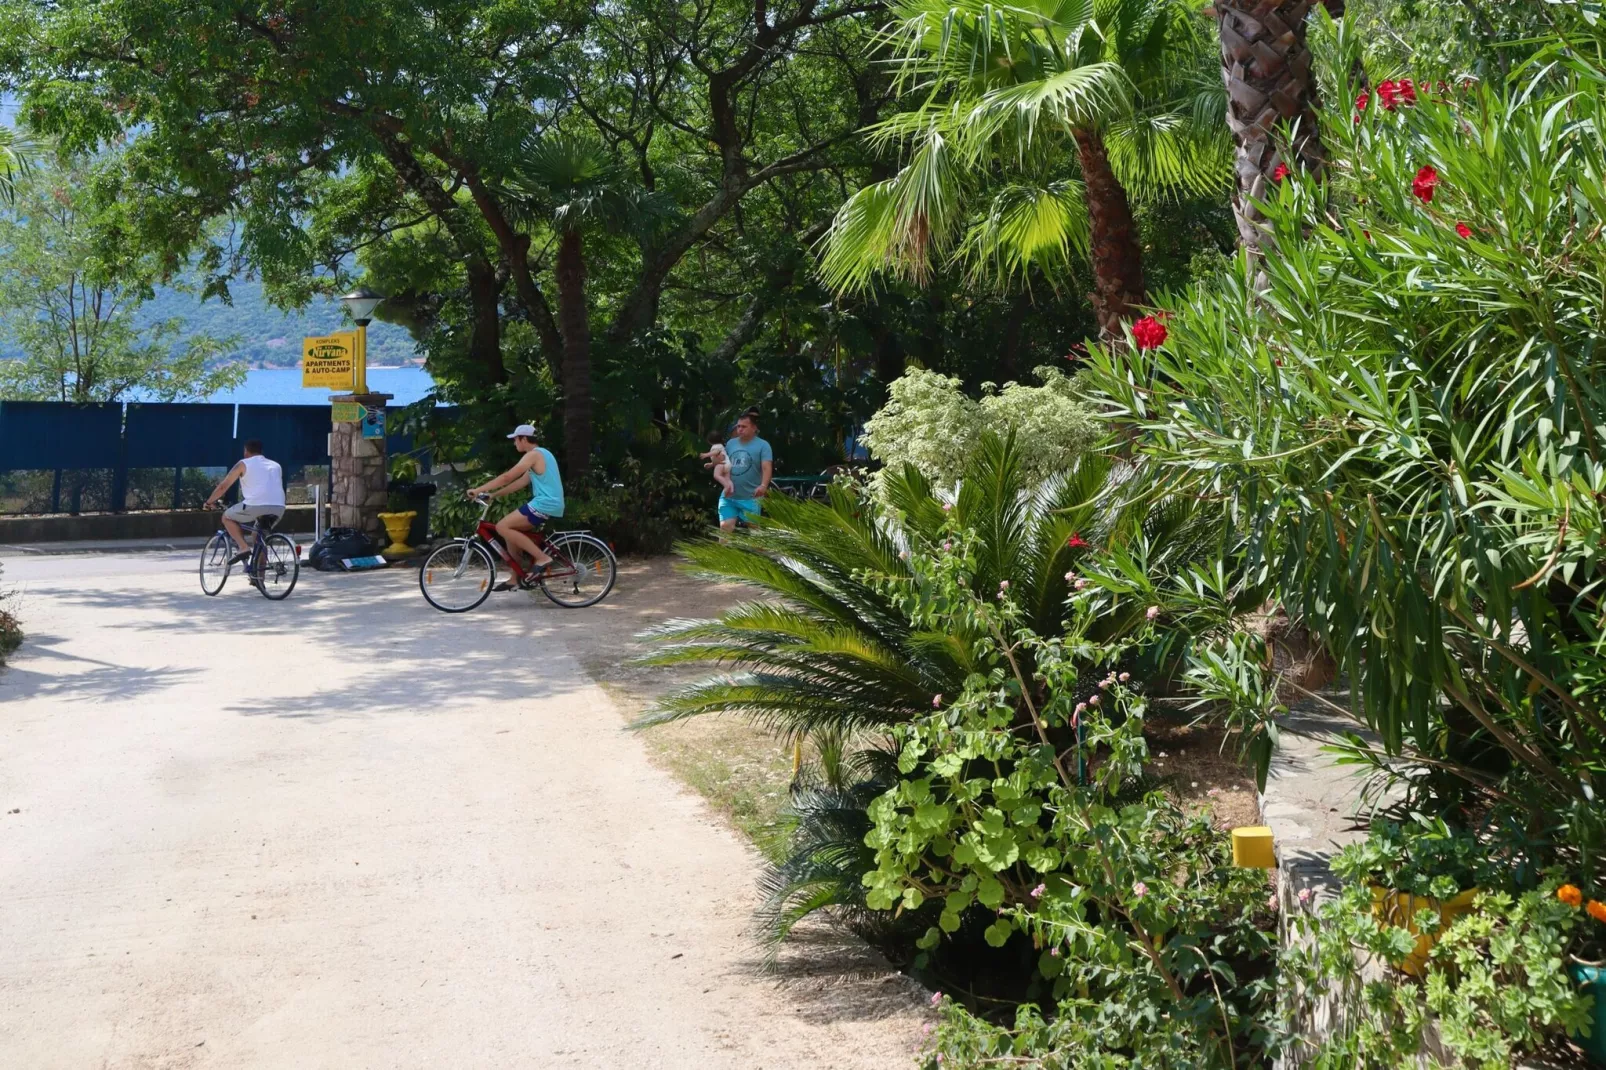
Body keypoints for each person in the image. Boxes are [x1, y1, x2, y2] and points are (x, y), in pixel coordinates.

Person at [467, 423, 565, 589]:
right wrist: (493, 495)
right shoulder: (541, 455)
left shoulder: (534, 455)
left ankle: (542, 558)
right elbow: (519, 482)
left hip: (544, 503)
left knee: (502, 527)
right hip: (548, 503)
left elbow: (507, 477)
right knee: (510, 531)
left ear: (524, 439)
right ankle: (515, 579)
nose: (514, 443)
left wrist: (478, 490)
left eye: (516, 440)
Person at [204, 439, 286, 563]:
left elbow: (223, 487)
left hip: (255, 505)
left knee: (226, 517)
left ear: (246, 451)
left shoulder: (243, 464)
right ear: (261, 451)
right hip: (279, 507)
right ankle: (258, 578)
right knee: (259, 538)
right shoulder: (275, 465)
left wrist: (209, 502)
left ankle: (243, 547)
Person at [718, 410, 773, 532]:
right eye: (738, 426)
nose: (740, 429)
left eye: (744, 426)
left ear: (754, 428)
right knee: (725, 527)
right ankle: (723, 551)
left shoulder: (763, 445)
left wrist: (764, 486)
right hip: (729, 495)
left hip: (751, 497)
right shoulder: (731, 444)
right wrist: (725, 481)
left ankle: (759, 551)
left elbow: (766, 467)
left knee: (754, 532)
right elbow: (724, 465)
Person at [701, 432, 734, 497]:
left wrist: (706, 455)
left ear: (709, 441)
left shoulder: (715, 446)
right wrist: (711, 464)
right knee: (727, 479)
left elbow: (716, 452)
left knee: (716, 475)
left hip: (721, 464)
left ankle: (727, 486)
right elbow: (717, 458)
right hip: (727, 463)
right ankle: (731, 489)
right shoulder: (721, 446)